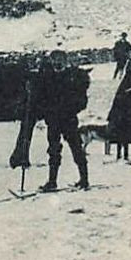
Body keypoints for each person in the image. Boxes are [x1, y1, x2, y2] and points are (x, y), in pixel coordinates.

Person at [37, 49, 90, 191]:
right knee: (53, 150)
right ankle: (52, 182)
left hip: (69, 120)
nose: (57, 63)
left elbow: (81, 101)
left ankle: (84, 180)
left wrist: (70, 109)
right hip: (53, 121)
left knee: (76, 148)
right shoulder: (47, 78)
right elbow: (41, 99)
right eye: (54, 60)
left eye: (60, 60)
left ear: (65, 61)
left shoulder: (73, 78)